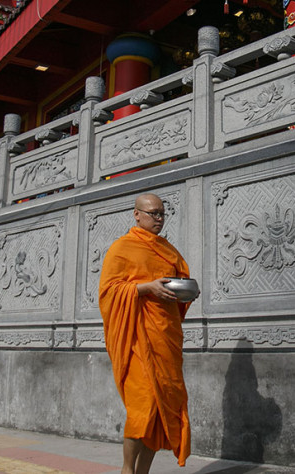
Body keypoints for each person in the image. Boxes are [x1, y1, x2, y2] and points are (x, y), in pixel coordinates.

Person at [99, 193, 194, 474]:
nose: (159, 219)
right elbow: (108, 293)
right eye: (153, 213)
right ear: (136, 214)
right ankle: (127, 469)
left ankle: (143, 472)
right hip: (136, 340)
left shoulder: (168, 249)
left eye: (162, 213)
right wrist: (145, 288)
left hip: (164, 336)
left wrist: (187, 292)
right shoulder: (121, 249)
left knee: (161, 410)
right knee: (143, 409)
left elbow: (180, 281)